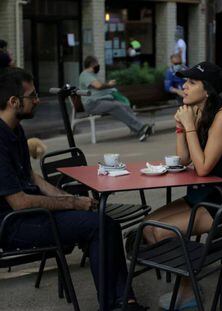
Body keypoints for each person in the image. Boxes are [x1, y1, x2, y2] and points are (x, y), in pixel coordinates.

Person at [0, 68, 147, 310]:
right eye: (32, 96)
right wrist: (73, 204)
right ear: (13, 101)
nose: (37, 101)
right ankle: (116, 304)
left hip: (32, 215)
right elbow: (20, 202)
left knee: (102, 220)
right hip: (14, 224)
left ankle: (123, 300)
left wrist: (70, 198)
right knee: (99, 226)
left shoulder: (15, 130)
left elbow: (32, 178)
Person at [143, 62, 222, 310]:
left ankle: (188, 289)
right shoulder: (199, 112)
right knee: (148, 227)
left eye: (191, 83)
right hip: (206, 195)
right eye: (185, 82)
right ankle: (189, 281)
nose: (184, 87)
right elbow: (184, 160)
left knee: (161, 232)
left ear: (208, 90)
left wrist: (189, 125)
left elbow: (202, 168)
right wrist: (182, 126)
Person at [79, 55, 152, 142]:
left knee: (123, 105)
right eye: (97, 63)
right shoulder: (85, 75)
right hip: (92, 104)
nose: (98, 65)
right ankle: (141, 128)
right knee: (116, 106)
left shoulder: (92, 75)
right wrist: (109, 85)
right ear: (92, 64)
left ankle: (138, 130)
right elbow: (98, 86)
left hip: (100, 102)